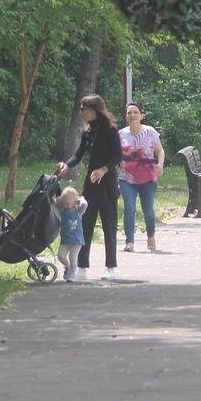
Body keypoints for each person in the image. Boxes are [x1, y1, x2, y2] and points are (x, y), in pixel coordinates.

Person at [57, 94, 122, 281]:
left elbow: (118, 156)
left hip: (107, 182)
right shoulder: (87, 131)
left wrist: (104, 169)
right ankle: (82, 266)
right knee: (85, 223)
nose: (81, 112)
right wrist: (67, 165)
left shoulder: (110, 130)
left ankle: (110, 267)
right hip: (91, 182)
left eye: (83, 108)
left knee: (109, 224)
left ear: (93, 110)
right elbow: (78, 155)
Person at [118, 101, 164, 253]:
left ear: (141, 115)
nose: (132, 115)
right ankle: (129, 242)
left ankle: (150, 236)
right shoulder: (120, 135)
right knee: (129, 208)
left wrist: (160, 164)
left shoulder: (150, 132)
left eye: (135, 112)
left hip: (147, 178)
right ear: (126, 117)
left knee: (148, 210)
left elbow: (160, 151)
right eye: (129, 113)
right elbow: (115, 155)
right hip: (127, 177)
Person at [57, 187, 86, 282]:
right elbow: (58, 200)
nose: (65, 205)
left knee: (73, 258)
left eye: (67, 204)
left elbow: (84, 204)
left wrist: (79, 200)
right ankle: (68, 266)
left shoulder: (78, 211)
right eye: (63, 204)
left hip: (76, 240)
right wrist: (63, 198)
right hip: (65, 239)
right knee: (61, 256)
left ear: (75, 202)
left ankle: (72, 275)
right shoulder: (62, 210)